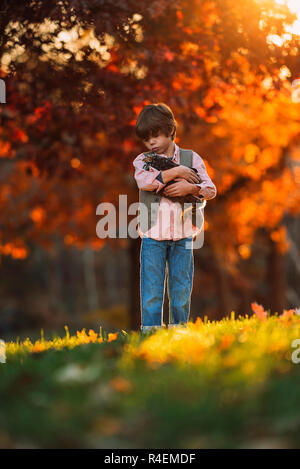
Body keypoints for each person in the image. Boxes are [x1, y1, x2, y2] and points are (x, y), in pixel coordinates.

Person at [133, 103, 217, 332]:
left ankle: (179, 330)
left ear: (170, 130)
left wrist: (189, 189)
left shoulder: (192, 158)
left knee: (180, 288)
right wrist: (177, 172)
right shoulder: (143, 161)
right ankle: (151, 332)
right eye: (146, 139)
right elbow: (145, 182)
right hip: (152, 236)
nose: (151, 143)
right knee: (151, 289)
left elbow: (210, 189)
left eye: (156, 136)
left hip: (183, 234)